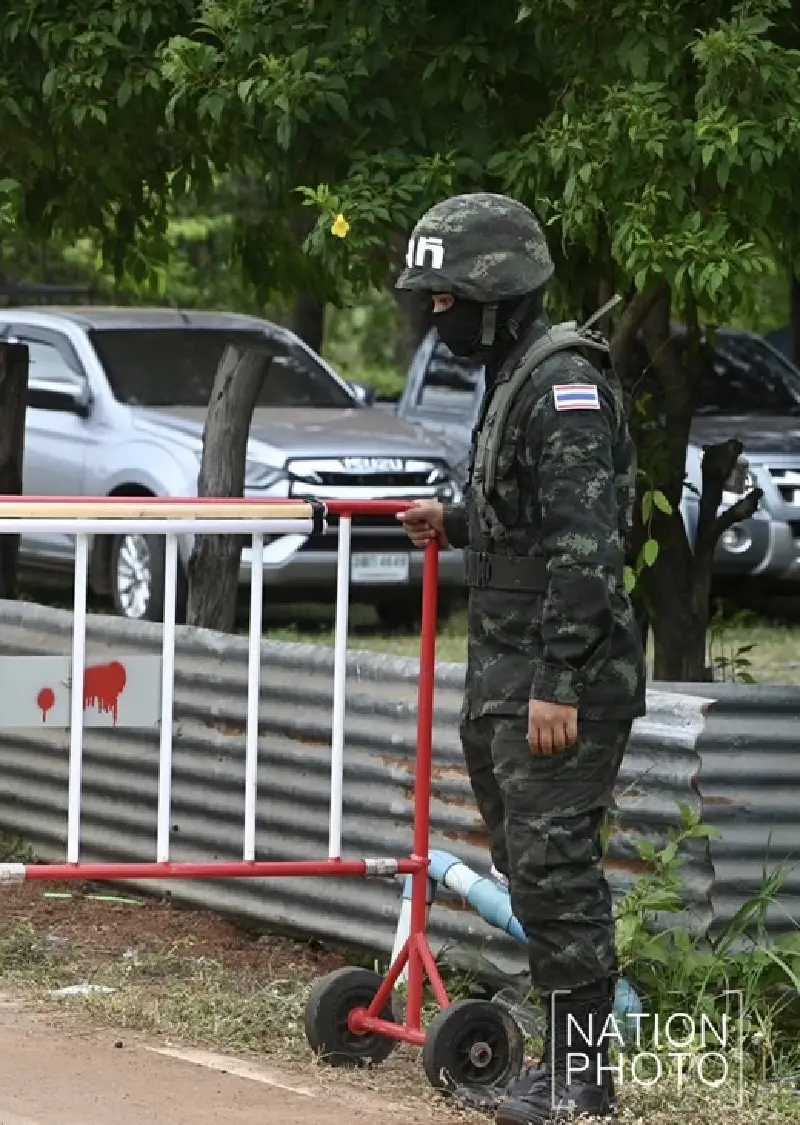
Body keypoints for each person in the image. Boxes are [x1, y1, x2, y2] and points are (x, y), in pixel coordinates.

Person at [394, 193, 642, 1124]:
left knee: (556, 873)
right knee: (534, 870)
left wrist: (559, 682)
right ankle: (569, 1066)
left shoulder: (563, 386)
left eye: (448, 301)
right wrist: (453, 522)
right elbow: (530, 513)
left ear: (497, 297)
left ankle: (583, 1082)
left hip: (554, 677)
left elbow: (588, 547)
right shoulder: (516, 379)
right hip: (506, 667)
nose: (435, 318)